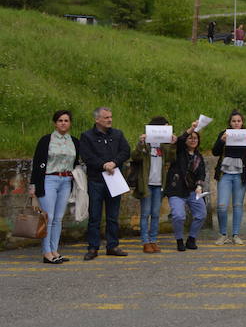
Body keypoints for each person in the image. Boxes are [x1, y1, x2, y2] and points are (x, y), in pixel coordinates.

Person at [29, 110, 80, 263]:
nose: (63, 123)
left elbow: (77, 163)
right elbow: (37, 163)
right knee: (48, 217)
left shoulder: (75, 141)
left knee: (58, 218)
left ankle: (54, 250)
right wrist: (33, 186)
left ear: (70, 123)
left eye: (66, 120)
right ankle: (46, 253)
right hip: (49, 180)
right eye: (60, 120)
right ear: (55, 123)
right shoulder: (46, 140)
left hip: (66, 181)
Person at [80, 107, 131, 259]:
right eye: (106, 117)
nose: (109, 120)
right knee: (94, 216)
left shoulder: (117, 134)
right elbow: (87, 156)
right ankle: (93, 247)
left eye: (110, 117)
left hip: (114, 179)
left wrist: (114, 162)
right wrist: (103, 165)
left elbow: (125, 151)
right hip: (96, 181)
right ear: (97, 120)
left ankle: (112, 245)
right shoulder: (87, 136)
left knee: (112, 216)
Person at [131, 116, 176, 253]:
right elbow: (135, 156)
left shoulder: (164, 144)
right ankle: (145, 241)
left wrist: (173, 144)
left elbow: (171, 158)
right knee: (145, 213)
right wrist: (140, 143)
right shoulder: (146, 143)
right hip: (146, 183)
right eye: (165, 127)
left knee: (156, 213)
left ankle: (153, 240)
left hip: (159, 183)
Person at [212, 110, 246, 245]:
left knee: (238, 205)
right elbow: (215, 152)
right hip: (225, 173)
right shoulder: (224, 134)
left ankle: (236, 234)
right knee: (222, 205)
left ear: (242, 123)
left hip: (241, 174)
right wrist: (221, 141)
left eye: (238, 121)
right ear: (230, 123)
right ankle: (223, 234)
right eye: (233, 121)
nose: (236, 123)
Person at [164, 123, 207, 251]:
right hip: (176, 190)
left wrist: (199, 185)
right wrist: (191, 129)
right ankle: (179, 240)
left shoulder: (199, 157)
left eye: (195, 138)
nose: (193, 140)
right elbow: (181, 139)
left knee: (201, 214)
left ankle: (192, 238)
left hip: (193, 191)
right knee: (179, 216)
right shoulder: (179, 151)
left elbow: (201, 173)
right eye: (191, 138)